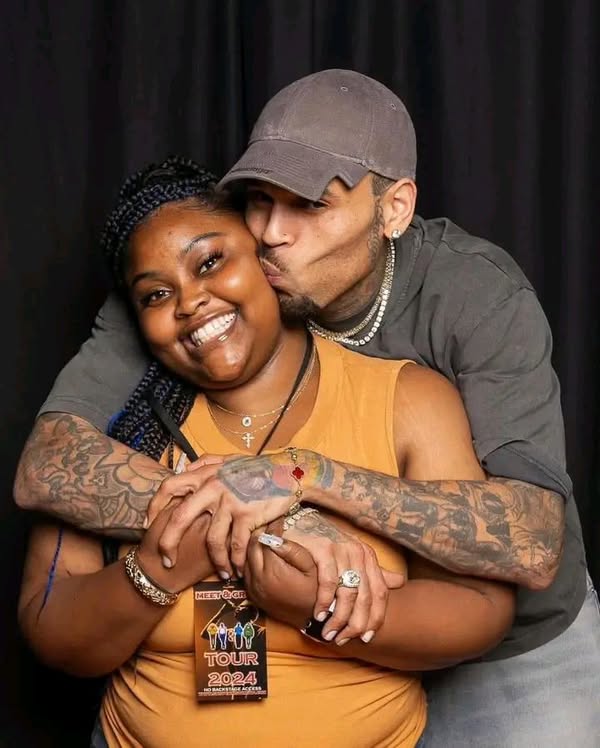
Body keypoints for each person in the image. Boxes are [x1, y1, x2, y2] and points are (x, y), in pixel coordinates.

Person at [14, 70, 600, 745]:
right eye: (259, 200)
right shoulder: (192, 295)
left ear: (394, 210)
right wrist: (252, 520)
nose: (271, 232)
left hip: (516, 650)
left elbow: (531, 545)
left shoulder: (472, 298)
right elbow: (46, 467)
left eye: (310, 205)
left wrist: (302, 478)